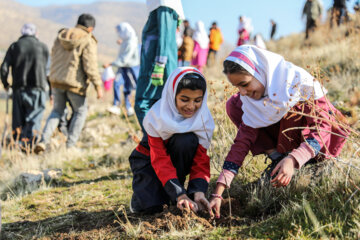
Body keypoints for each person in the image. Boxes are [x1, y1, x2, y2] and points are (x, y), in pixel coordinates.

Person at [209, 45, 348, 218]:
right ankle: (278, 159)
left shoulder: (298, 83)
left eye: (244, 84)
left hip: (316, 145)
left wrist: (294, 159)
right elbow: (241, 144)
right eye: (238, 87)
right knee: (234, 103)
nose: (243, 92)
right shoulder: (250, 101)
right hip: (285, 146)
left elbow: (322, 128)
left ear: (260, 72)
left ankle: (299, 163)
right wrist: (219, 191)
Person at [129, 67, 215, 215]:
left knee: (186, 140)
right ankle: (146, 196)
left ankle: (175, 192)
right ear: (172, 95)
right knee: (151, 209)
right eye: (184, 99)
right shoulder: (157, 117)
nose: (191, 106)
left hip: (176, 164)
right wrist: (179, 193)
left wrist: (198, 191)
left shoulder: (204, 121)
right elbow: (160, 160)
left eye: (197, 100)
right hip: (149, 161)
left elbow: (201, 160)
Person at [35, 13, 103, 152]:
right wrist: (98, 85)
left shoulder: (62, 35)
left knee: (56, 111)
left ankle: (43, 140)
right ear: (90, 28)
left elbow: (53, 56)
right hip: (75, 84)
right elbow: (90, 65)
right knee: (80, 111)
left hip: (56, 81)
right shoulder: (88, 39)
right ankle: (70, 146)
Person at [135, 0, 184, 135]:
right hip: (156, 64)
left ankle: (156, 145)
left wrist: (160, 64)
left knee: (143, 104)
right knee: (158, 106)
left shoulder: (164, 5)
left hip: (155, 67)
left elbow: (165, 37)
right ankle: (158, 146)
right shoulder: (162, 7)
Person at [1, 23, 49, 147]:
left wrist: (6, 84)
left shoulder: (15, 47)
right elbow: (48, 71)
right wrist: (50, 88)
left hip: (18, 89)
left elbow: (4, 68)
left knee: (18, 120)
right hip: (37, 88)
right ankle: (31, 145)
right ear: (36, 33)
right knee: (34, 117)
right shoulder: (43, 47)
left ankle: (18, 144)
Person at [103, 22, 139, 116]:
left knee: (129, 88)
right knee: (117, 83)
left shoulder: (131, 42)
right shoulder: (126, 41)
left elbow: (125, 58)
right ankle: (116, 105)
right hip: (123, 67)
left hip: (130, 67)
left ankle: (129, 107)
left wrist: (111, 63)